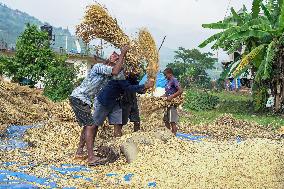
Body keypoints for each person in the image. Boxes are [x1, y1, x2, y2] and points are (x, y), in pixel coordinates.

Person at [69, 46, 129, 160]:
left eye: (117, 57)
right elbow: (115, 70)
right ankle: (91, 157)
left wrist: (120, 60)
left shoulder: (110, 76)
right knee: (91, 126)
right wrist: (122, 54)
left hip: (84, 99)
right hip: (79, 97)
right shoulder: (98, 67)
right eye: (114, 55)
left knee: (87, 126)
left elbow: (118, 71)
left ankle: (79, 152)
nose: (116, 57)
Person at [86, 77, 154, 166]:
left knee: (118, 125)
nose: (136, 73)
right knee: (93, 126)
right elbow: (128, 88)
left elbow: (136, 88)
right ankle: (88, 154)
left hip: (116, 102)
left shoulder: (132, 77)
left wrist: (146, 87)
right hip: (105, 101)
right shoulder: (121, 74)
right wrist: (145, 85)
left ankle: (116, 149)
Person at [163, 68, 183, 135]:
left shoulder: (174, 80)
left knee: (172, 121)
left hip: (172, 104)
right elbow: (167, 92)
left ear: (170, 74)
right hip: (167, 103)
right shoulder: (168, 81)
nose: (165, 76)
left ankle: (174, 136)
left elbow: (180, 90)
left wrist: (172, 96)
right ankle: (168, 134)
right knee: (166, 120)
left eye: (166, 75)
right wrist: (163, 96)